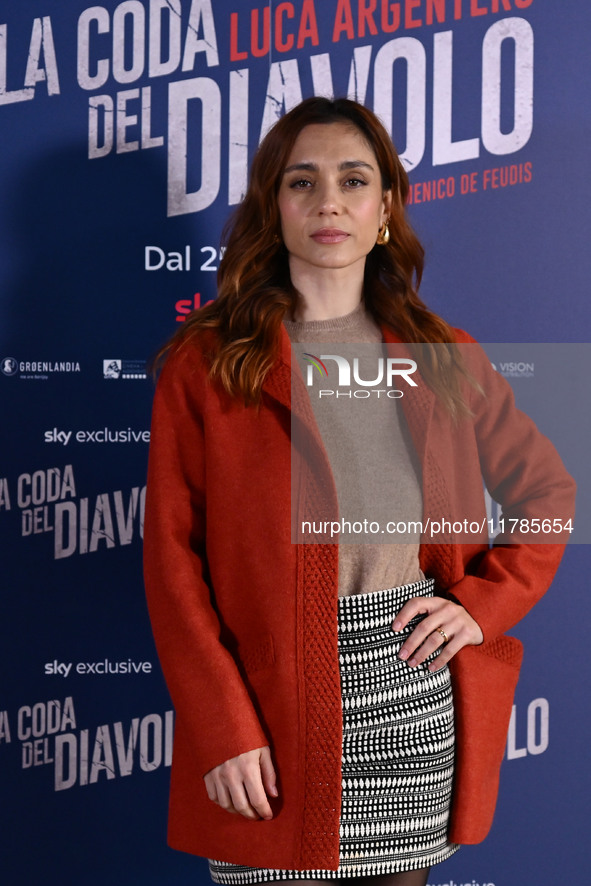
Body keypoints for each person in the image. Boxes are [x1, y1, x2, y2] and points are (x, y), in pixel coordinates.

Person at [143, 97, 575, 886]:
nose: (328, 201)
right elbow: (172, 566)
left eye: (353, 179)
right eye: (300, 182)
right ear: (273, 208)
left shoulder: (446, 356)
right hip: (266, 701)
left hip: (407, 688)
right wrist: (221, 724)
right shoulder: (205, 365)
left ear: (384, 208)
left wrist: (478, 607)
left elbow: (548, 491)